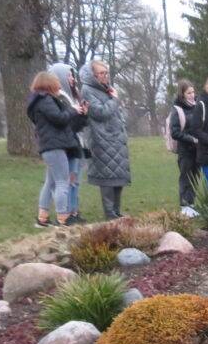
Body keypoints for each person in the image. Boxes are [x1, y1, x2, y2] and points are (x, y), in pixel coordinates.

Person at [26, 70, 87, 227]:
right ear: (49, 84)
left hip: (50, 146)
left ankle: (43, 218)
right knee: (62, 182)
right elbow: (59, 119)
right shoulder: (45, 100)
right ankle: (62, 218)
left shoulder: (39, 101)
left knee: (50, 183)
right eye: (56, 83)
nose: (59, 86)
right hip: (55, 146)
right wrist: (73, 110)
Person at [79, 60, 130, 220]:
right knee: (107, 177)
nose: (105, 76)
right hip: (101, 139)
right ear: (93, 75)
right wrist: (114, 100)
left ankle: (116, 211)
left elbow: (115, 113)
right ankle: (109, 213)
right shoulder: (87, 90)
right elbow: (100, 112)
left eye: (106, 72)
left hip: (116, 139)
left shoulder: (107, 89)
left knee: (118, 176)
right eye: (101, 73)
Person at [46, 63, 86, 223]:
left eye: (72, 75)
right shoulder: (60, 98)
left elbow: (79, 123)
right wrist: (76, 113)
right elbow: (66, 122)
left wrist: (84, 115)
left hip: (76, 142)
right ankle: (65, 214)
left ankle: (74, 212)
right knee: (67, 181)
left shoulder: (73, 96)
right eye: (69, 75)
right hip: (67, 144)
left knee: (75, 181)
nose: (72, 79)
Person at [168, 79, 200, 214]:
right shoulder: (177, 110)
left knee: (195, 178)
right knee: (186, 178)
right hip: (185, 151)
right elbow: (175, 132)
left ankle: (192, 205)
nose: (192, 95)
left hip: (197, 151)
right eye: (189, 93)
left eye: (193, 92)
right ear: (182, 94)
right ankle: (185, 206)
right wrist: (191, 139)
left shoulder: (197, 107)